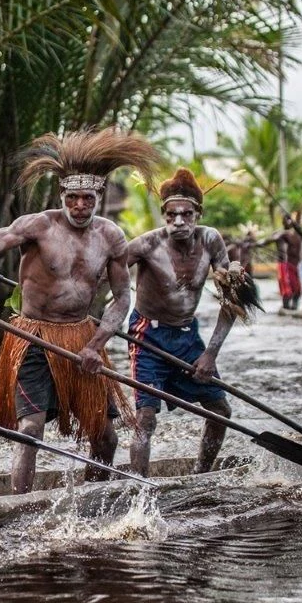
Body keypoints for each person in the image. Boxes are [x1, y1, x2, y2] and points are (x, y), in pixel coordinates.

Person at [0, 128, 160, 491]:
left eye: (88, 199)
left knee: (105, 437)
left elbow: (123, 296)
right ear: (62, 195)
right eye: (73, 198)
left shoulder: (110, 237)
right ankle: (19, 502)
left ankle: (96, 496)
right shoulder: (38, 226)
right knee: (30, 429)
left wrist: (96, 344)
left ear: (99, 196)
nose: (80, 206)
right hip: (35, 338)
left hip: (82, 339)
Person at [125, 168, 257, 476]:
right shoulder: (145, 245)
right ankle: (138, 489)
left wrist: (210, 353)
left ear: (198, 214)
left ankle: (201, 473)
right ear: (164, 215)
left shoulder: (211, 240)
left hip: (187, 336)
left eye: (186, 214)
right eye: (172, 215)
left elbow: (231, 302)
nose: (179, 222)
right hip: (147, 335)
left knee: (221, 411)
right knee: (146, 417)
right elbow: (105, 274)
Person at [256, 212, 302, 310]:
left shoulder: (299, 235)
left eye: (289, 219)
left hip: (297, 264)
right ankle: (286, 307)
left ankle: (295, 307)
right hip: (284, 264)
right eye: (285, 219)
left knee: (298, 289)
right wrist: (257, 243)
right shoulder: (280, 234)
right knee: (287, 289)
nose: (287, 221)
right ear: (282, 222)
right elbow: (268, 240)